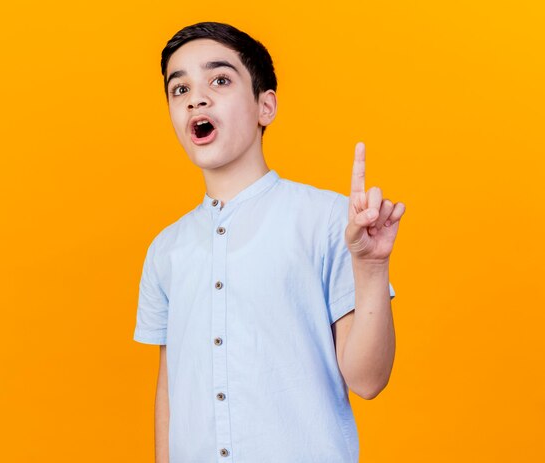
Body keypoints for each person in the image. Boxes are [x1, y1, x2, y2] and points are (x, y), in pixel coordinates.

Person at [133, 21, 406, 463]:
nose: (196, 98)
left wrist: (371, 268)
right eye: (178, 89)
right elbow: (171, 391)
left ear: (266, 106)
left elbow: (368, 380)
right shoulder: (166, 250)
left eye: (219, 80)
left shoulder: (329, 221)